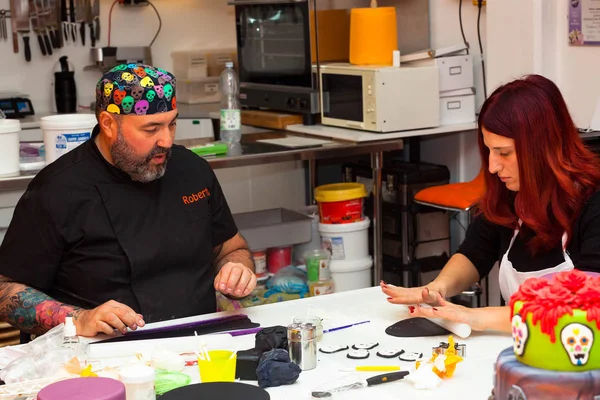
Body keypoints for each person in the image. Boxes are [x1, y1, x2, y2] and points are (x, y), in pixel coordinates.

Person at [0, 64, 257, 339]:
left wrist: (238, 268)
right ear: (109, 124)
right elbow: (5, 291)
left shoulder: (192, 171)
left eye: (172, 124)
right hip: (98, 358)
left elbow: (232, 248)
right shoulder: (57, 190)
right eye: (151, 129)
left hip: (198, 345)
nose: (167, 141)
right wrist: (79, 319)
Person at [382, 74, 600, 332]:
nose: (494, 166)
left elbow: (587, 305)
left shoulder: (593, 202)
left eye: (504, 153)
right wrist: (438, 288)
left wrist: (475, 317)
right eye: (489, 151)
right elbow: (474, 253)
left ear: (543, 147)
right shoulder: (510, 192)